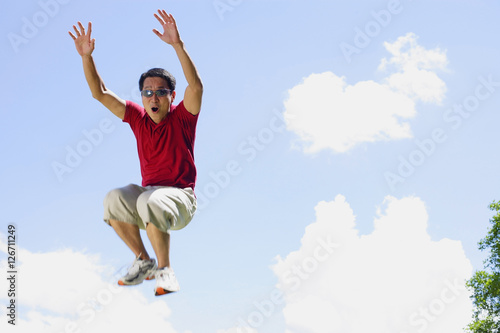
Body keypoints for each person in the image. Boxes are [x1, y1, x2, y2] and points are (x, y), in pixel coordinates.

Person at [69, 9, 203, 296]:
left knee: (149, 201)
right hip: (150, 194)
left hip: (180, 199)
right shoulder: (137, 118)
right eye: (147, 92)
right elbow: (100, 93)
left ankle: (166, 272)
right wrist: (86, 57)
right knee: (114, 199)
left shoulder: (183, 117)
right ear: (142, 96)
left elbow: (196, 86)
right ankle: (143, 261)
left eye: (161, 91)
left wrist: (177, 45)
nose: (153, 97)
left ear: (171, 97)